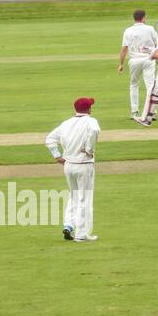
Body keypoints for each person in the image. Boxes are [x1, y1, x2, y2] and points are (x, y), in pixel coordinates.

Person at [46, 97, 101, 242]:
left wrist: (57, 156)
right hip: (84, 164)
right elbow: (95, 130)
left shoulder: (66, 123)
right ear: (89, 109)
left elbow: (50, 139)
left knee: (74, 195)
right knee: (85, 199)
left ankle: (69, 224)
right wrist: (89, 148)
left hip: (68, 165)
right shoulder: (91, 122)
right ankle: (82, 235)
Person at [118, 9, 158, 121]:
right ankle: (152, 112)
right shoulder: (150, 29)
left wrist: (121, 64)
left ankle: (134, 112)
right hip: (149, 59)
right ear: (143, 18)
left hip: (134, 60)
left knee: (134, 85)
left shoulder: (128, 31)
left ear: (134, 18)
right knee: (150, 86)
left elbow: (124, 49)